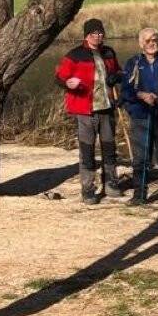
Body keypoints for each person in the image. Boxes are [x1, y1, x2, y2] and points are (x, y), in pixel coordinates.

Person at [55, 18, 123, 204]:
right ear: (87, 35)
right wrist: (68, 84)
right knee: (87, 149)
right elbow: (60, 77)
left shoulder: (109, 52)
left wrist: (116, 76)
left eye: (100, 33)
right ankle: (88, 189)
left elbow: (119, 71)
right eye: (94, 33)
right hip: (85, 110)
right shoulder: (75, 55)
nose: (98, 36)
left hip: (106, 107)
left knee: (109, 147)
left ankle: (110, 183)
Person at [119, 27, 158, 204]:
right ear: (141, 43)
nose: (152, 43)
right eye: (148, 40)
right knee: (142, 156)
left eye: (155, 40)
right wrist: (141, 95)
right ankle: (140, 194)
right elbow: (126, 90)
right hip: (141, 114)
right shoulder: (133, 63)